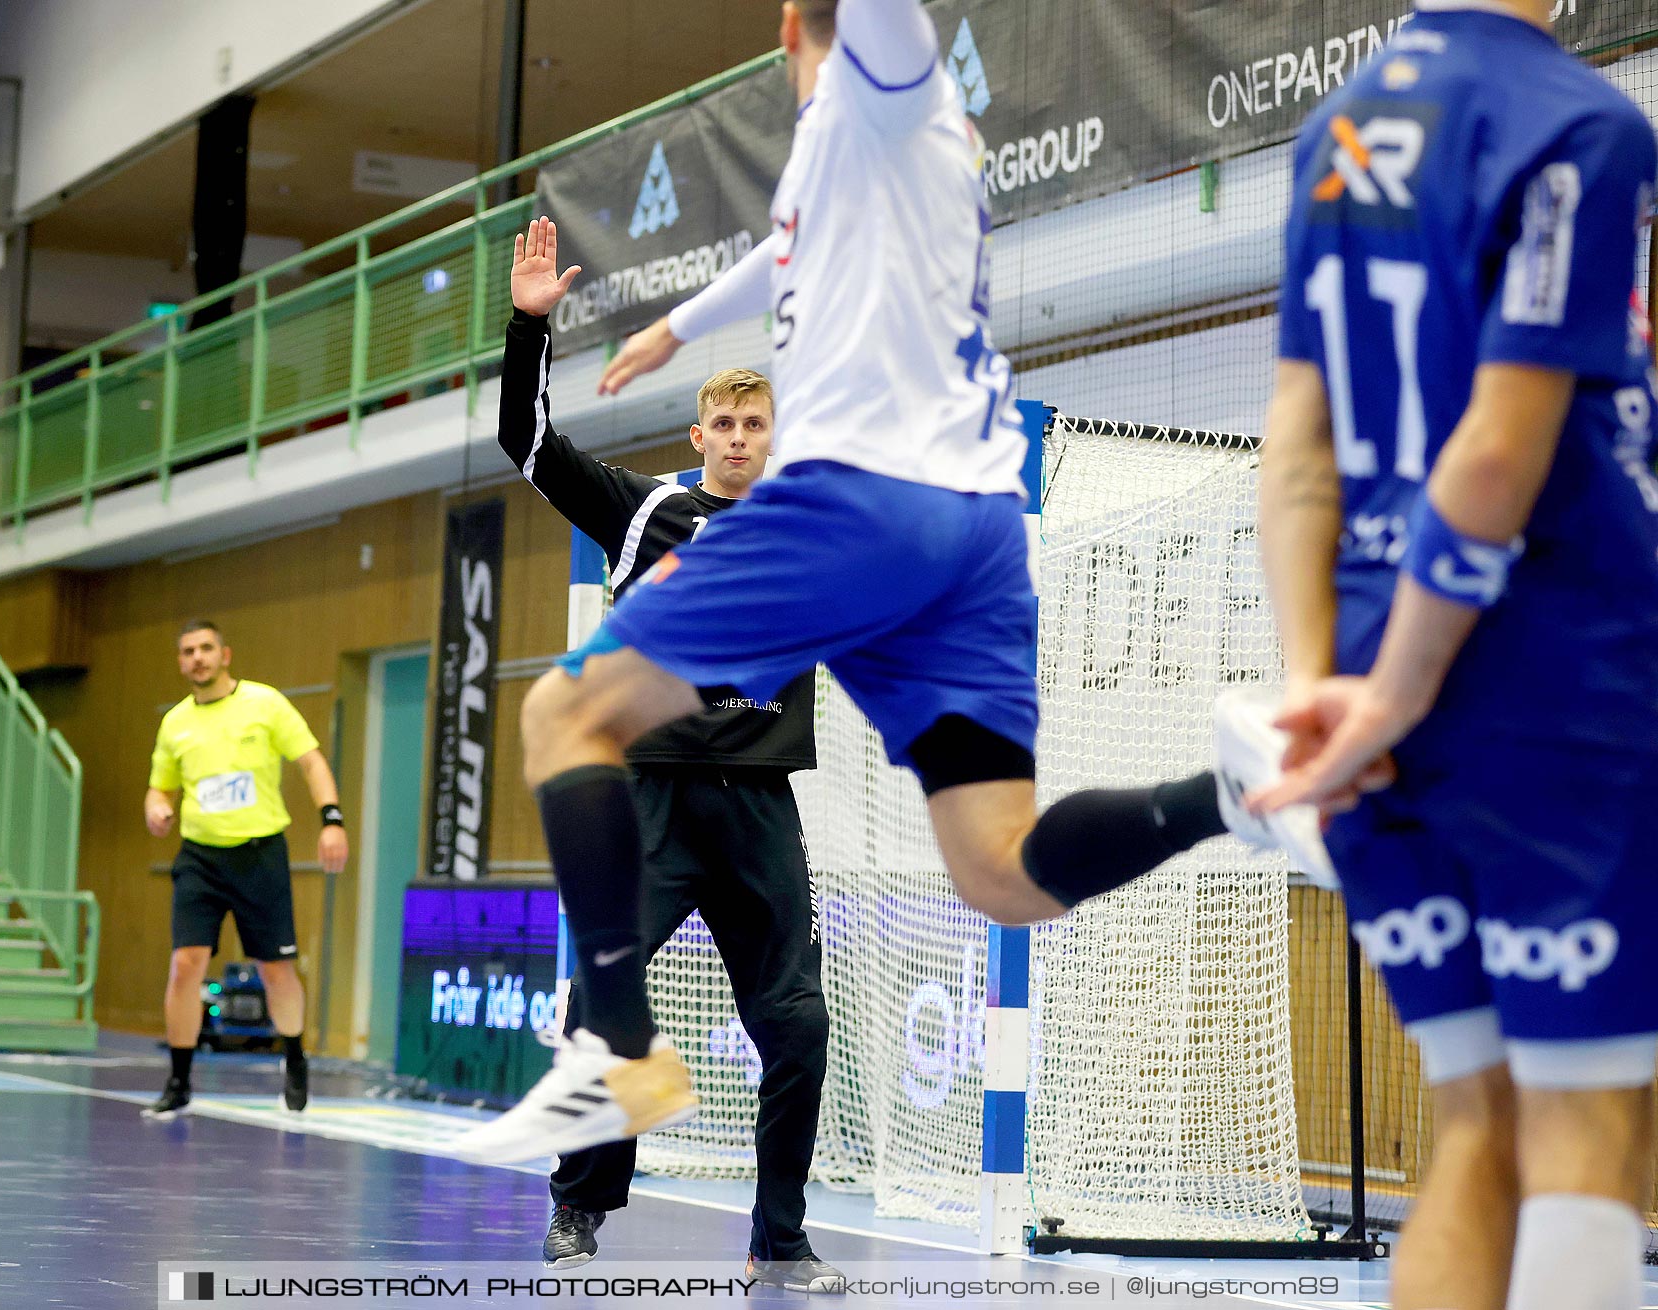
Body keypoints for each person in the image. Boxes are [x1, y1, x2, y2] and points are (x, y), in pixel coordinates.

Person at [452, 0, 1299, 1170]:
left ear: (797, 25)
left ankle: (620, 1050)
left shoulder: (887, 92)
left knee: (561, 713)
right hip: (974, 534)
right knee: (1001, 871)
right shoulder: (839, 168)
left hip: (864, 499)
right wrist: (678, 325)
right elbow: (784, 247)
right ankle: (1238, 795)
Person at [1241, 4, 1658, 1308]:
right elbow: (1493, 449)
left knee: (1474, 1123)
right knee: (1592, 1125)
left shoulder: (1338, 129)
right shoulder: (1578, 123)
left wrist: (1326, 684)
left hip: (1367, 676)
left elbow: (1298, 445)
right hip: (1548, 687)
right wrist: (1405, 688)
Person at [499, 218, 842, 1292]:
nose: (738, 437)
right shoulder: (647, 508)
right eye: (723, 422)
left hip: (758, 810)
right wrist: (527, 327)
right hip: (645, 799)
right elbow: (530, 444)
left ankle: (781, 1233)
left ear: (774, 437)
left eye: (755, 422)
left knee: (797, 1026)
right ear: (699, 434)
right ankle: (581, 1193)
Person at [142, 621, 349, 1119]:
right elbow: (160, 788)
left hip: (259, 856)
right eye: (188, 651)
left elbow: (313, 762)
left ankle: (295, 1057)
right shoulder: (175, 723)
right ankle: (179, 1080)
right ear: (181, 661)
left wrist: (331, 820)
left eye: (206, 648)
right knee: (186, 963)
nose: (198, 657)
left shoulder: (266, 703)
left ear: (225, 654)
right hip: (199, 857)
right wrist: (155, 809)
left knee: (275, 967)